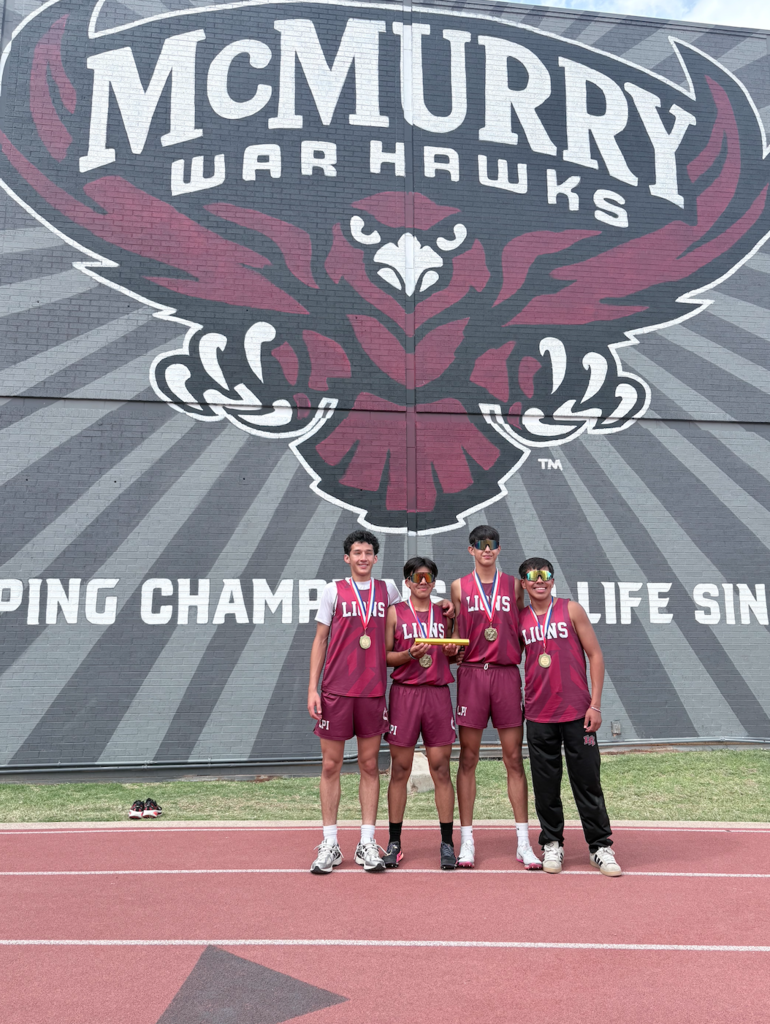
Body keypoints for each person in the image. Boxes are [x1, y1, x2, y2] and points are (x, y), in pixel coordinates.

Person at [307, 530, 455, 875]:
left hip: (373, 691)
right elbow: (320, 640)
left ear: (375, 558)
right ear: (347, 558)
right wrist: (312, 689)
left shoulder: (387, 590)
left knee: (370, 766)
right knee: (331, 766)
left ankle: (366, 842)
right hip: (336, 690)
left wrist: (449, 605)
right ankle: (330, 842)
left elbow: (423, 600)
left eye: (368, 552)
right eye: (356, 552)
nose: (362, 558)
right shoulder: (333, 591)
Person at [518, 557, 621, 877]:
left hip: (578, 713)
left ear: (552, 579)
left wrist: (596, 703)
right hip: (538, 713)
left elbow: (596, 654)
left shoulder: (571, 609)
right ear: (523, 583)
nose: (540, 580)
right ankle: (552, 844)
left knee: (587, 781)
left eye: (545, 574)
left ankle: (600, 846)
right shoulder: (518, 619)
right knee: (545, 785)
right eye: (532, 576)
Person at [450, 525, 541, 870]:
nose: (487, 549)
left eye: (492, 545)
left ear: (499, 550)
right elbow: (456, 632)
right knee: (468, 758)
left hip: (505, 673)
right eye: (480, 544)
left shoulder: (514, 585)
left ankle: (523, 842)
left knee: (513, 759)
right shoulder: (459, 587)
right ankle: (467, 841)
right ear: (470, 549)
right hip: (473, 674)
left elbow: (521, 624)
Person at [384, 557, 460, 871]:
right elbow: (384, 657)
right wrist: (406, 655)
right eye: (417, 576)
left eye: (429, 576)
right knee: (399, 769)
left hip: (437, 694)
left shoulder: (445, 613)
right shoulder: (394, 613)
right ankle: (394, 843)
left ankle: (446, 844)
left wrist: (454, 653)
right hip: (404, 694)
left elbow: (453, 656)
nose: (423, 581)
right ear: (408, 582)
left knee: (441, 769)